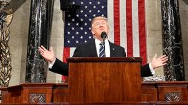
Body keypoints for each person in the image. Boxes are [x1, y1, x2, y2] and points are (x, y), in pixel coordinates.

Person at [38, 16, 168, 78]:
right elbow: (71, 70)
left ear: (108, 29)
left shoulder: (119, 50)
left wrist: (151, 66)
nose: (101, 25)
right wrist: (53, 60)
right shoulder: (82, 49)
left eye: (104, 24)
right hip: (88, 94)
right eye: (97, 24)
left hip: (115, 95)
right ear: (92, 31)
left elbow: (129, 72)